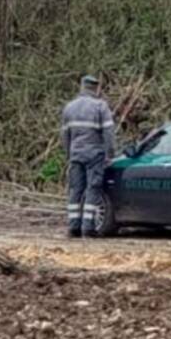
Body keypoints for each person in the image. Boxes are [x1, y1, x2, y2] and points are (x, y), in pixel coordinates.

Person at [60, 75, 116, 238]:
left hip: (75, 153)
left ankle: (73, 228)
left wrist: (69, 153)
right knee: (93, 188)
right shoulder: (100, 106)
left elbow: (65, 135)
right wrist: (110, 153)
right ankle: (88, 228)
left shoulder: (69, 107)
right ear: (96, 88)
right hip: (94, 155)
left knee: (75, 190)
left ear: (82, 87)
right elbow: (109, 133)